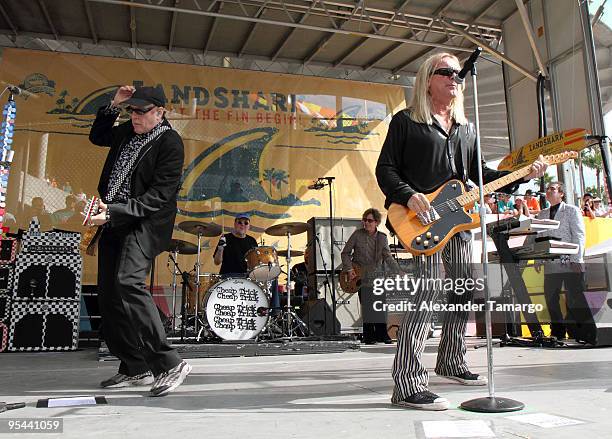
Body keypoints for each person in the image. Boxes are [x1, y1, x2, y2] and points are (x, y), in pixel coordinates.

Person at [375, 52, 547, 411]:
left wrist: (524, 175)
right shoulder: (406, 122)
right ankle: (406, 383)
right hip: (419, 221)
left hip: (458, 224)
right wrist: (410, 195)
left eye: (458, 74)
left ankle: (451, 359)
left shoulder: (466, 128)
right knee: (428, 293)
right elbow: (386, 169)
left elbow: (481, 176)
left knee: (463, 291)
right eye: (447, 72)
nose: (455, 78)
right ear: (427, 79)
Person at [88, 85, 191, 397]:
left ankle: (168, 363)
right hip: (114, 218)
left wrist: (115, 212)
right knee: (108, 294)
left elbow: (160, 195)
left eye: (142, 111)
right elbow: (97, 136)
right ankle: (135, 366)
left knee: (129, 282)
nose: (135, 116)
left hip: (145, 222)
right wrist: (112, 104)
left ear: (160, 112)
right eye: (132, 110)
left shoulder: (170, 142)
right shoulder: (125, 131)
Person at [535, 182, 595, 344]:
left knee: (576, 297)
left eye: (552, 189)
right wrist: (538, 258)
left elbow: (579, 235)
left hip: (570, 261)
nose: (548, 191)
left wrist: (577, 259)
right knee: (551, 298)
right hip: (551, 263)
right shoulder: (542, 214)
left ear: (561, 194)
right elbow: (540, 237)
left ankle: (584, 333)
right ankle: (558, 332)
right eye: (547, 189)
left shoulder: (571, 210)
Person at [341, 208, 400, 344]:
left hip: (377, 276)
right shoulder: (357, 235)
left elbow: (388, 256)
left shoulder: (382, 238)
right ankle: (369, 336)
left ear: (377, 222)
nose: (366, 223)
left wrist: (398, 270)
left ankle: (382, 335)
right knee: (367, 307)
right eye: (365, 220)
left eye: (369, 221)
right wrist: (349, 269)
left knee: (379, 306)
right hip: (361, 277)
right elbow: (345, 253)